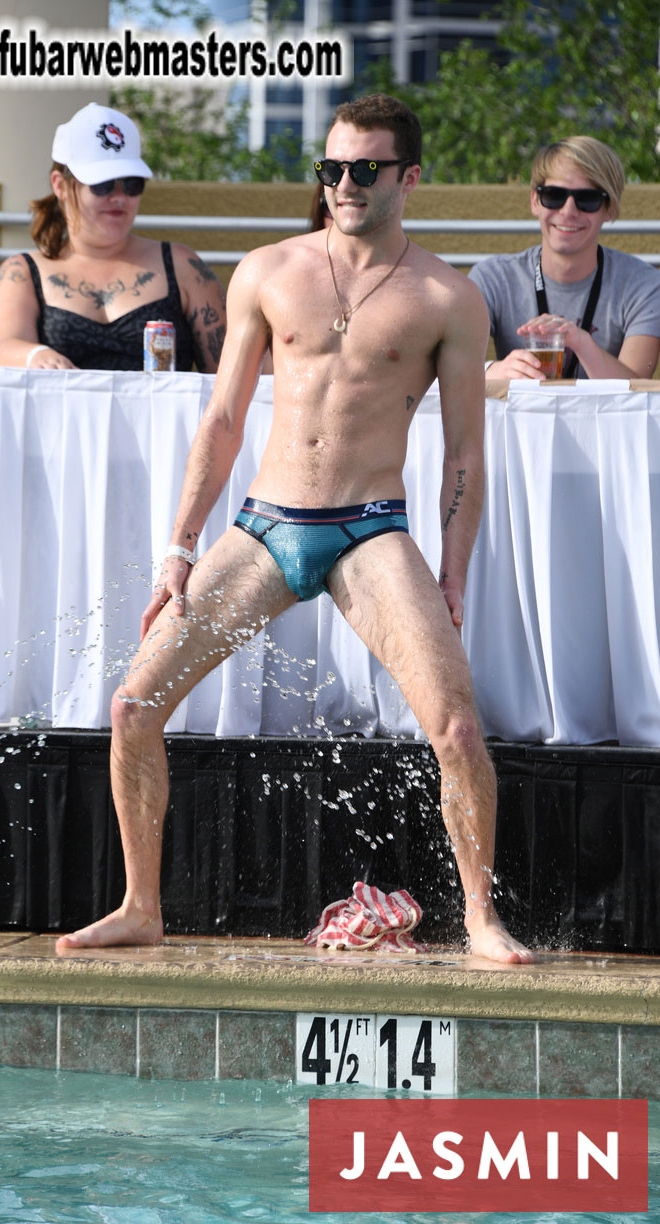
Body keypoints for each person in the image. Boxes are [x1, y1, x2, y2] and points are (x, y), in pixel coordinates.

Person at [55, 93, 535, 965]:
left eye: (364, 170)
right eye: (331, 168)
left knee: (458, 729)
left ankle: (477, 916)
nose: (344, 185)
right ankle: (140, 905)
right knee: (132, 705)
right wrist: (178, 548)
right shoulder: (269, 272)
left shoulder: (447, 297)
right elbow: (223, 419)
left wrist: (454, 570)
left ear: (409, 178)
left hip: (369, 530)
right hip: (265, 525)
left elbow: (466, 453)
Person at [0, 103, 226, 373]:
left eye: (133, 183)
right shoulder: (23, 273)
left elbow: (229, 373)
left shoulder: (183, 267)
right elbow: (1, 346)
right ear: (60, 185)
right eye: (102, 184)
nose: (119, 197)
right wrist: (35, 355)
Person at [469, 136, 660, 381]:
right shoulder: (493, 278)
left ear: (609, 209)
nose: (568, 211)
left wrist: (581, 342)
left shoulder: (644, 285)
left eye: (587, 199)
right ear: (534, 201)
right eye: (554, 195)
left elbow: (636, 390)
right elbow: (450, 366)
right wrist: (494, 371)